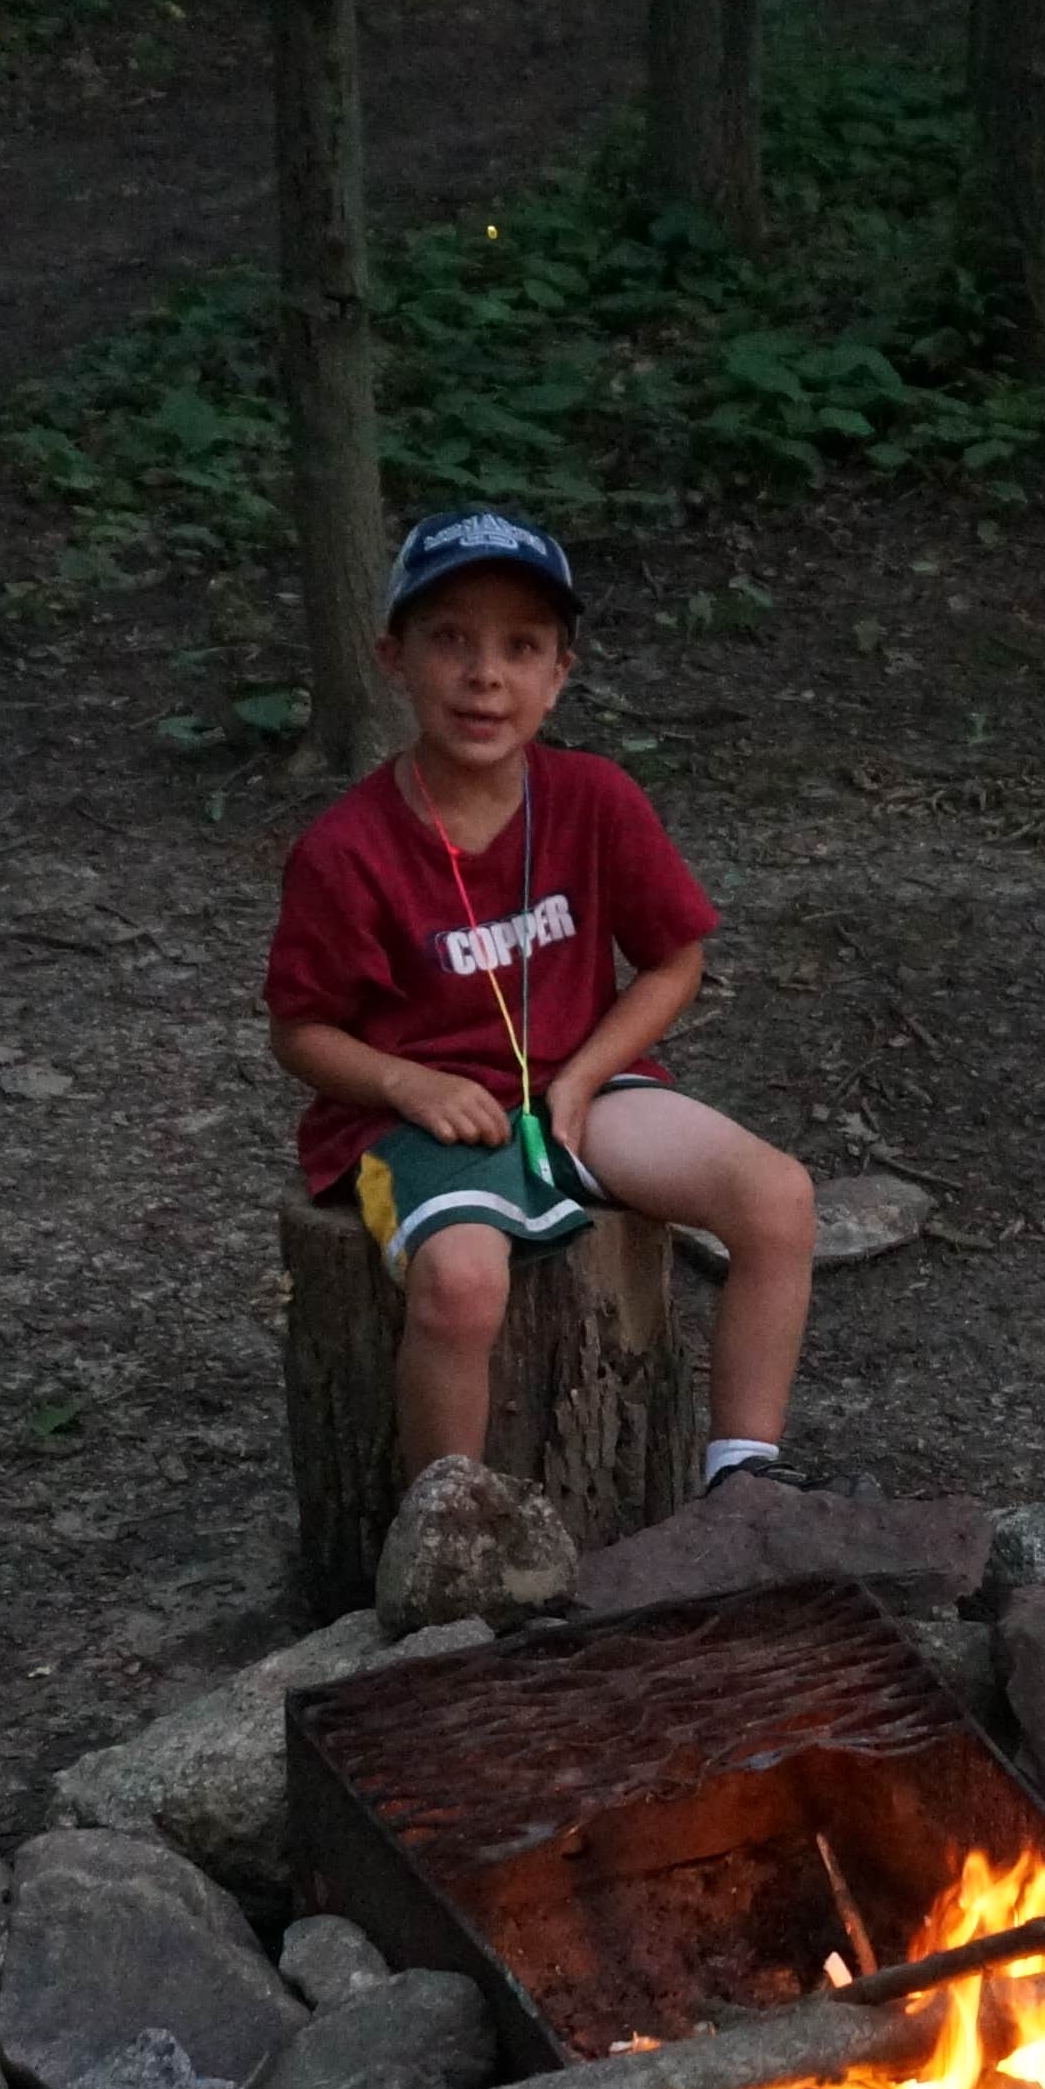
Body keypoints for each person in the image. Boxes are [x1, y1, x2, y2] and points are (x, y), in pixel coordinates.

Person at [264, 508, 817, 1497]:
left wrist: (588, 1075)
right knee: (463, 1283)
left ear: (559, 674)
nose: (485, 675)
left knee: (777, 1198)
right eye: (451, 640)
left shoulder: (594, 798)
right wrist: (407, 1082)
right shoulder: (346, 849)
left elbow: (673, 962)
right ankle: (452, 1529)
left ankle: (743, 1483)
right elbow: (300, 1031)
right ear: (393, 658)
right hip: (412, 1123)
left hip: (574, 1089)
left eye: (521, 648)